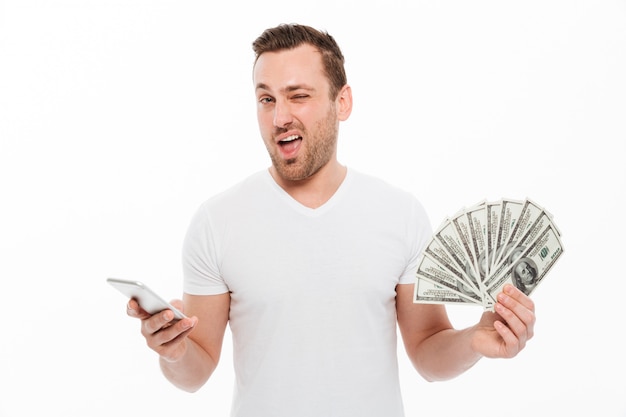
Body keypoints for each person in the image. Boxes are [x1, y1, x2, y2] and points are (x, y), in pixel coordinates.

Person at [126, 23, 536, 417]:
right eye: (266, 98)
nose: (278, 118)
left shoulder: (399, 214)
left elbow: (428, 352)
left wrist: (475, 341)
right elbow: (195, 370)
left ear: (343, 102)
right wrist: (173, 351)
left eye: (297, 96)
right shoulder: (217, 221)